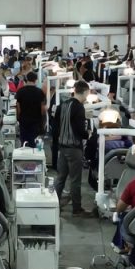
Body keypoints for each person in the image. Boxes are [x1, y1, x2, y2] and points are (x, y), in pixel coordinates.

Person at [55, 80, 92, 217]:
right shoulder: (79, 107)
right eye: (87, 94)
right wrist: (87, 134)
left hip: (62, 146)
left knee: (60, 178)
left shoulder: (63, 105)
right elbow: (78, 129)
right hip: (74, 147)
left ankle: (54, 204)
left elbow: (57, 126)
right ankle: (77, 208)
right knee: (75, 180)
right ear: (84, 92)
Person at [15, 72, 47, 148]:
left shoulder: (20, 91)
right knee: (34, 143)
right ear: (35, 80)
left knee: (24, 142)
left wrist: (18, 118)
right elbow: (42, 109)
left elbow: (18, 108)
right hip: (36, 122)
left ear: (27, 79)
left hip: (24, 121)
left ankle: (25, 157)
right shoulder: (40, 92)